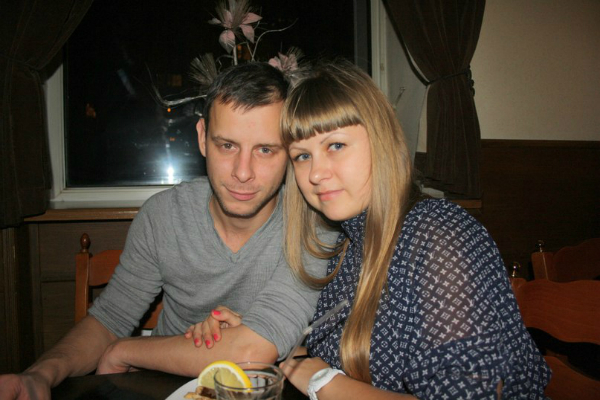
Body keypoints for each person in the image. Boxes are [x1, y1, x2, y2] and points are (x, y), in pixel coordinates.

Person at [190, 60, 552, 399]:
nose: (315, 173)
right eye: (302, 155)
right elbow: (341, 354)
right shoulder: (346, 245)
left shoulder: (439, 235)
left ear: (381, 141)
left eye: (336, 145)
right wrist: (264, 337)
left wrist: (323, 381)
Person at [0, 62, 333, 400]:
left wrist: (126, 351)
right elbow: (110, 319)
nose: (243, 172)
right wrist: (41, 374)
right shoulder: (162, 216)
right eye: (227, 145)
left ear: (290, 151)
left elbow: (251, 350)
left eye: (265, 150)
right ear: (202, 137)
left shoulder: (312, 227)